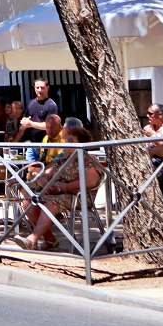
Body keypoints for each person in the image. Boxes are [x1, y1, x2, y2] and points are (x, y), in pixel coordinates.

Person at [13, 121, 102, 250]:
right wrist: (42, 179)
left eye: (71, 140)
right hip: (58, 194)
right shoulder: (63, 158)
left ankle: (32, 239)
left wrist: (64, 187)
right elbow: (49, 172)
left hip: (79, 197)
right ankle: (50, 239)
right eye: (66, 140)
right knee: (29, 202)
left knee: (52, 203)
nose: (67, 143)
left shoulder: (88, 159)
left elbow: (91, 182)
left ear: (81, 143)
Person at [20, 78, 59, 160]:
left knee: (44, 170)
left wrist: (30, 124)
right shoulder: (31, 103)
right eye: (37, 87)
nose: (39, 90)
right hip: (32, 145)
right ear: (34, 88)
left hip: (46, 145)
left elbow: (49, 126)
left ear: (47, 88)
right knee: (30, 170)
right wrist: (24, 123)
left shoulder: (51, 105)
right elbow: (26, 119)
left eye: (42, 87)